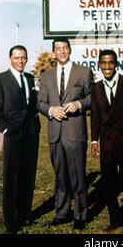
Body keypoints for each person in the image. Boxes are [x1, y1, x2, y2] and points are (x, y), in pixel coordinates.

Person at [37, 38, 93, 230]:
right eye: (58, 49)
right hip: (55, 134)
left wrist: (79, 104)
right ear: (54, 52)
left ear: (70, 50)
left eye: (64, 48)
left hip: (75, 133)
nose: (61, 52)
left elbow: (93, 97)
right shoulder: (46, 76)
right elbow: (40, 103)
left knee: (77, 175)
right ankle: (62, 213)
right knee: (60, 176)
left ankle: (80, 214)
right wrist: (51, 110)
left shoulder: (83, 72)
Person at [91, 50, 123, 233]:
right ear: (99, 64)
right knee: (108, 181)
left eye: (110, 63)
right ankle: (115, 220)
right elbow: (95, 116)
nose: (107, 67)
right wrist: (93, 141)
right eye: (103, 63)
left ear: (116, 64)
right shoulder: (96, 87)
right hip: (106, 141)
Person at [0, 45, 40, 233]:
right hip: (13, 135)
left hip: (31, 135)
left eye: (23, 58)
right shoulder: (0, 79)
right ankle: (11, 222)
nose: (20, 61)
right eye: (17, 58)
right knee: (11, 178)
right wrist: (4, 129)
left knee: (28, 177)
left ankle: (25, 215)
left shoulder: (29, 78)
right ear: (10, 58)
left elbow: (31, 105)